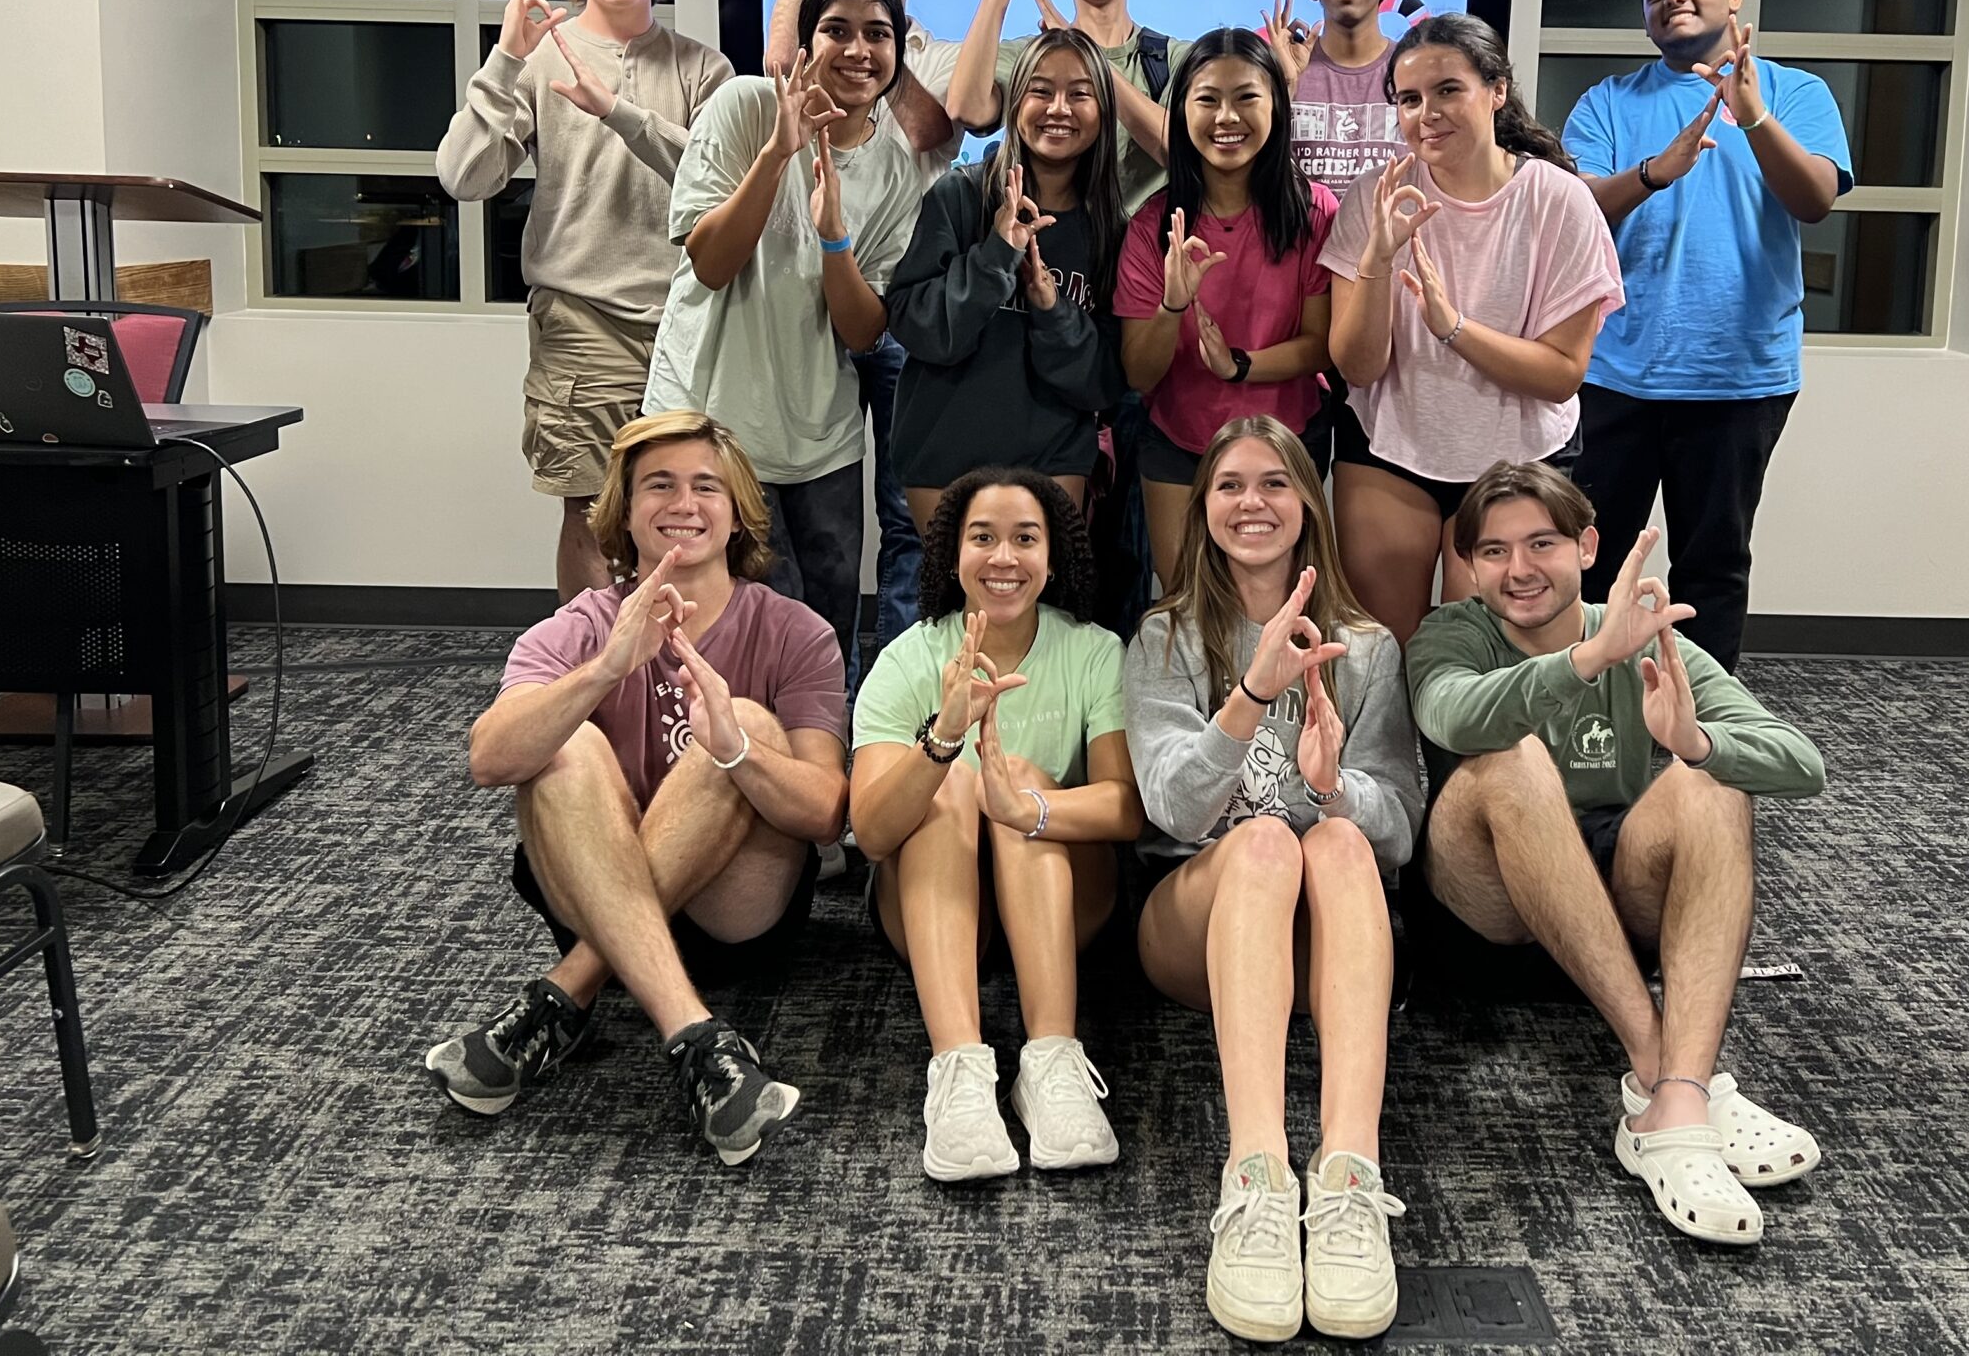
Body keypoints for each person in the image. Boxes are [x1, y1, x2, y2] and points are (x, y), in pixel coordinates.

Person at [1409, 460, 1825, 1246]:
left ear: (1587, 546)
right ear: (1469, 566)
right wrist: (1588, 661)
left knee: (1713, 780)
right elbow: (1454, 718)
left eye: (1541, 543)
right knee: (1513, 758)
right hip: (1486, 922)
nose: (1519, 569)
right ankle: (1664, 1075)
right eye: (1493, 552)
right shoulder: (1451, 634)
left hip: (1612, 923)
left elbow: (1802, 762)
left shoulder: (1647, 638)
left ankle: (1676, 1097)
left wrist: (1696, 742)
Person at [424, 410, 848, 1165]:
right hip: (588, 896)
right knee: (563, 743)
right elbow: (488, 759)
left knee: (742, 722)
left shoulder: (796, 631)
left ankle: (569, 989)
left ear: (738, 513)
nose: (683, 504)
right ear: (625, 512)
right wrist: (603, 672)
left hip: (733, 917)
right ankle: (694, 1035)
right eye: (659, 485)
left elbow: (824, 811)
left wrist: (737, 748)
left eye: (705, 487)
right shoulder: (579, 627)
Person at [1125, 416, 1426, 1344]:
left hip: (1320, 938)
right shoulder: (1164, 638)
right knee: (1263, 844)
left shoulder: (1367, 648)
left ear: (1308, 506)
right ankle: (1255, 1177)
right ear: (1203, 508)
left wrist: (1337, 789)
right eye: (1229, 485)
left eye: (1274, 484)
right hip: (1197, 919)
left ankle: (1347, 1178)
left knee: (1332, 843)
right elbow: (1172, 810)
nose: (1252, 503)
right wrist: (1249, 697)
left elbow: (1403, 832)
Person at [1561, 0, 1853, 673]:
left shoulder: (1797, 92)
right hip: (1617, 373)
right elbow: (1580, 207)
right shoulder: (1608, 102)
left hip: (1741, 377)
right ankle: (1590, 719)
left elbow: (1815, 198)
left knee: (1712, 565)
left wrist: (1750, 115)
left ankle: (1695, 737)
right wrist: (1656, 170)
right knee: (1589, 562)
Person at [436, 0, 730, 600]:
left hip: (688, 327)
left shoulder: (703, 67)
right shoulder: (540, 59)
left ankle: (675, 677)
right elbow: (464, 177)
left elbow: (719, 186)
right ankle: (595, 682)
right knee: (594, 511)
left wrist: (616, 109)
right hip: (581, 321)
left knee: (688, 513)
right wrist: (504, 59)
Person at [848, 470, 1142, 1182]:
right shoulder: (910, 656)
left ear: (1053, 557)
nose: (1003, 557)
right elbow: (871, 833)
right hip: (936, 912)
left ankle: (1053, 1062)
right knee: (950, 781)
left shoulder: (1095, 650)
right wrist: (945, 738)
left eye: (1024, 538)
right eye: (983, 537)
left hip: (1060, 909)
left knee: (1024, 784)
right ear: (953, 555)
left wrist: (1026, 808)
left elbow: (1128, 809)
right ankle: (959, 1073)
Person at [645, 0, 924, 661]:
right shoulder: (744, 106)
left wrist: (835, 238)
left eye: (877, 34)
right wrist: (778, 153)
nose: (858, 50)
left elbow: (863, 330)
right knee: (723, 629)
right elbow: (710, 262)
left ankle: (818, 764)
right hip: (712, 424)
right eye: (837, 30)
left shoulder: (897, 164)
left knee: (824, 632)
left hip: (822, 438)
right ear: (805, 43)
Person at [1322, 13, 1623, 645]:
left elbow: (1561, 375)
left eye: (1448, 90)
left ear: (1497, 91)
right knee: (1378, 650)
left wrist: (1453, 327)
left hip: (1515, 453)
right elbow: (1357, 368)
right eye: (1409, 99)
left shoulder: (1558, 200)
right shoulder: (1374, 197)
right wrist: (1377, 261)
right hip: (1391, 443)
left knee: (1482, 651)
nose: (1426, 112)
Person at [765, 0, 964, 675]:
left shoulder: (936, 53)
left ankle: (891, 690)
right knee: (819, 520)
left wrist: (880, 45)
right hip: (809, 311)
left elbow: (935, 134)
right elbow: (783, 70)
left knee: (906, 514)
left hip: (900, 314)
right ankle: (818, 690)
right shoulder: (817, 34)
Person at [1114, 27, 1337, 590]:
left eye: (1246, 98)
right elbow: (1139, 373)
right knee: (1189, 610)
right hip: (1179, 445)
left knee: (1281, 604)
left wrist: (1239, 365)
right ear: (1182, 111)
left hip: (1287, 442)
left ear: (1276, 107)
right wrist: (1172, 304)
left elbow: (1319, 346)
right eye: (1208, 99)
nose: (1226, 117)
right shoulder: (1153, 226)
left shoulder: (1313, 211)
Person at [885, 29, 1127, 529]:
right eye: (1041, 91)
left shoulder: (1112, 229)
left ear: (1104, 111)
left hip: (1054, 458)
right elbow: (917, 326)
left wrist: (1052, 310)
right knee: (952, 608)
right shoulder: (960, 195)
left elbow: (1103, 380)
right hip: (942, 455)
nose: (1058, 108)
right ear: (1015, 102)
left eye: (1079, 94)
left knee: (1046, 606)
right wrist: (995, 257)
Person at [946, 0, 1174, 216]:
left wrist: (1087, 55)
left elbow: (1183, 152)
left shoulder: (1173, 58)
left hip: (1143, 261)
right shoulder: (1033, 56)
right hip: (1048, 253)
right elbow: (966, 109)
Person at [1283, 0, 1408, 194]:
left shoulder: (1414, 71)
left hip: (1393, 238)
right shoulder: (1283, 69)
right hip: (1302, 239)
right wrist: (1282, 83)